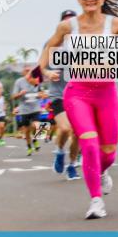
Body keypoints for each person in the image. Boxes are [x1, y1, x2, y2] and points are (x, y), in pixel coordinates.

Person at [39, 0, 118, 219]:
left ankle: (101, 172)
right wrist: (46, 71)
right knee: (89, 144)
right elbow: (49, 47)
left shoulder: (115, 24)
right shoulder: (68, 27)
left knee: (109, 152)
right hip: (78, 92)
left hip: (106, 92)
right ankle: (96, 201)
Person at [47, 10, 82, 180]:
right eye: (66, 21)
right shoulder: (52, 43)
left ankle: (72, 165)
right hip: (58, 94)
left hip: (78, 94)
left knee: (78, 133)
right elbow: (42, 66)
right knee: (66, 128)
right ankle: (60, 152)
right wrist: (48, 73)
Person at [12, 66, 44, 156]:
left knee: (36, 125)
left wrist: (40, 95)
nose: (28, 72)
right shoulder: (19, 82)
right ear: (23, 72)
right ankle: (29, 147)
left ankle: (35, 139)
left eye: (29, 71)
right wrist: (20, 94)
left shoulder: (36, 80)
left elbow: (42, 92)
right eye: (26, 70)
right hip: (24, 110)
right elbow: (13, 97)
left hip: (35, 108)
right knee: (26, 131)